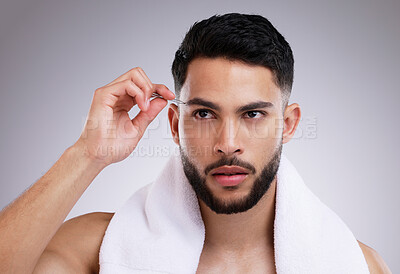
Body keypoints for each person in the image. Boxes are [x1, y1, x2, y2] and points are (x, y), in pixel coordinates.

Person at [0, 13, 391, 274]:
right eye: (204, 114)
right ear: (174, 124)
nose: (228, 143)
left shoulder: (356, 264)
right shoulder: (95, 251)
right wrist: (86, 154)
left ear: (287, 125)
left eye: (252, 114)